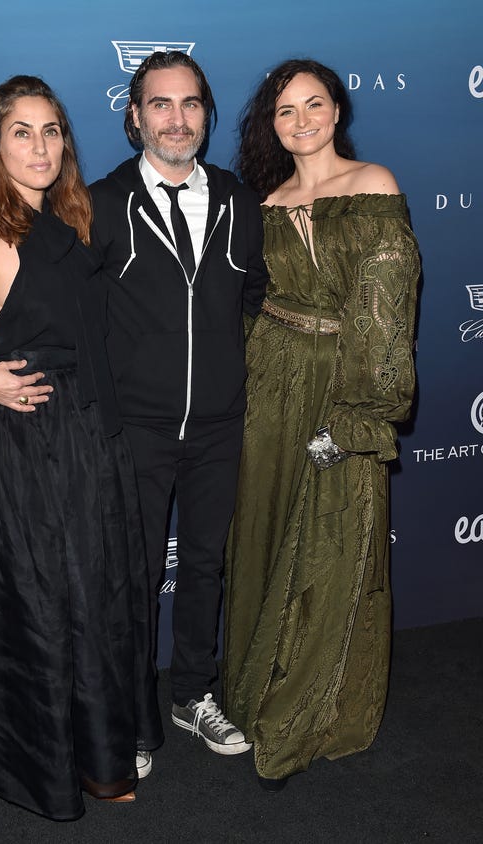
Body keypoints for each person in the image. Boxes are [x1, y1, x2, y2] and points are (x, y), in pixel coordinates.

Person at [0, 75, 162, 821]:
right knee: (51, 604)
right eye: (23, 131)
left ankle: (104, 752)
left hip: (94, 433)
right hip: (32, 442)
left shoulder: (72, 219)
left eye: (52, 131)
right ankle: (49, 766)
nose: (40, 146)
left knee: (103, 595)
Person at [222, 59, 420, 792]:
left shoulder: (374, 184)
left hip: (343, 379)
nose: (301, 119)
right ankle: (255, 688)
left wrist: (360, 414)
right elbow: (245, 300)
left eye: (314, 104)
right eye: (284, 110)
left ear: (337, 109)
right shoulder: (263, 199)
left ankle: (313, 706)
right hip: (270, 380)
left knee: (336, 538)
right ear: (269, 124)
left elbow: (386, 309)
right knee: (265, 530)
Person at [88, 50, 268, 763]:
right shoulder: (99, 203)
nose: (176, 118)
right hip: (136, 427)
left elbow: (253, 301)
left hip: (221, 425)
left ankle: (194, 692)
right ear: (135, 117)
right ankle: (130, 714)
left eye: (190, 104)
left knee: (205, 565)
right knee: (129, 575)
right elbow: (65, 309)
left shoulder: (237, 199)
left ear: (206, 114)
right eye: (160, 104)